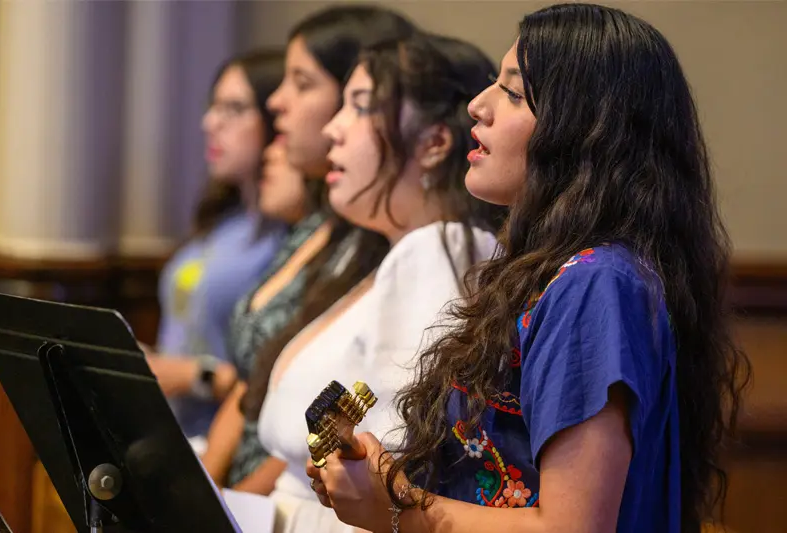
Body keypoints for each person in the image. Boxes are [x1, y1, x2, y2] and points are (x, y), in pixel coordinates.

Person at [308, 4, 752, 533]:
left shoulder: (595, 282)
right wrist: (381, 478)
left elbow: (570, 526)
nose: (477, 105)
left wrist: (395, 506)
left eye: (514, 93)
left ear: (586, 130)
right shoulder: (551, 271)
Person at [256, 31, 502, 533]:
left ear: (434, 143)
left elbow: (391, 462)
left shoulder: (440, 252)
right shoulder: (401, 254)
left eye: (361, 107)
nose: (333, 129)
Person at [199, 5, 417, 489]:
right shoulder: (316, 226)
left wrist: (236, 501)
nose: (277, 101)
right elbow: (252, 379)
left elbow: (347, 410)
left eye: (301, 82)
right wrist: (208, 486)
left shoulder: (397, 245)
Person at [147, 50, 289, 440]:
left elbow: (272, 379)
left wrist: (197, 375)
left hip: (224, 441)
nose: (210, 122)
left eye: (234, 108)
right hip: (172, 432)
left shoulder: (290, 236)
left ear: (277, 118)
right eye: (214, 106)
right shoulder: (224, 220)